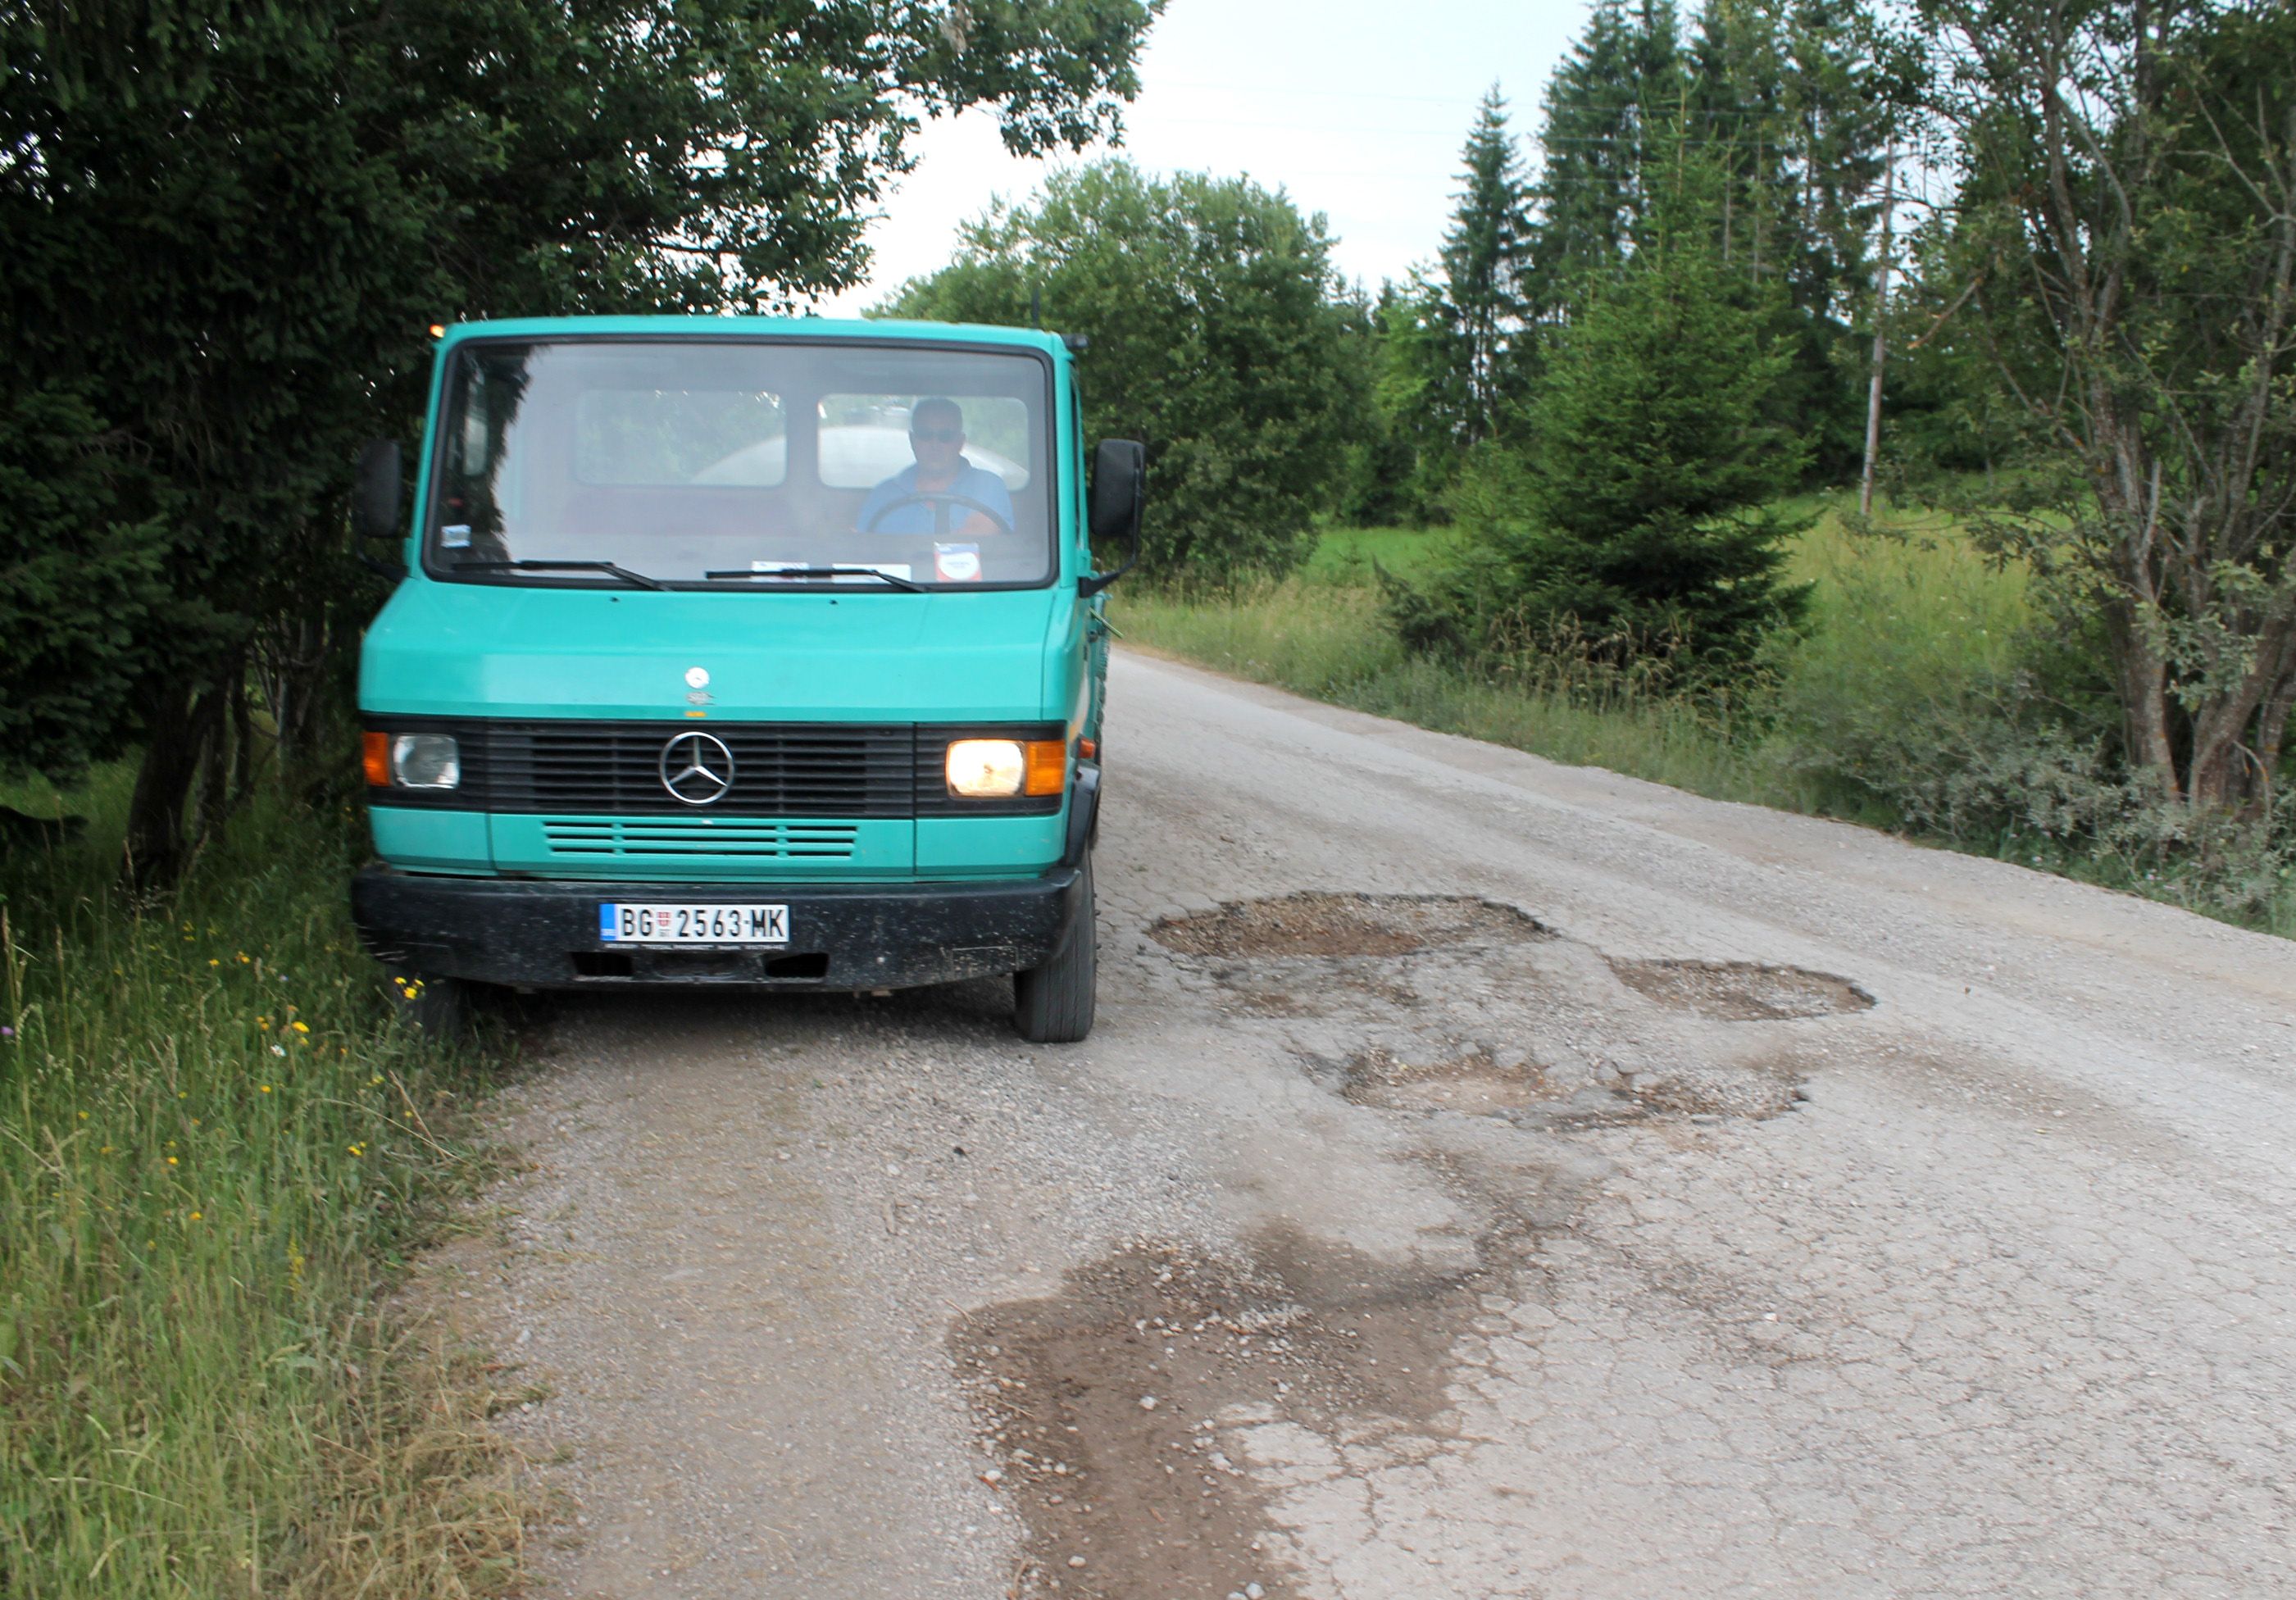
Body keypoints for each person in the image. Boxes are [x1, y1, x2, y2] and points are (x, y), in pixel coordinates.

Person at [854, 397, 1014, 539]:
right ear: (912, 440)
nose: (934, 445)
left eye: (945, 436)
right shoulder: (883, 494)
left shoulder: (988, 485)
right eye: (925, 435)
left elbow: (979, 535)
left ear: (960, 441)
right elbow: (862, 549)